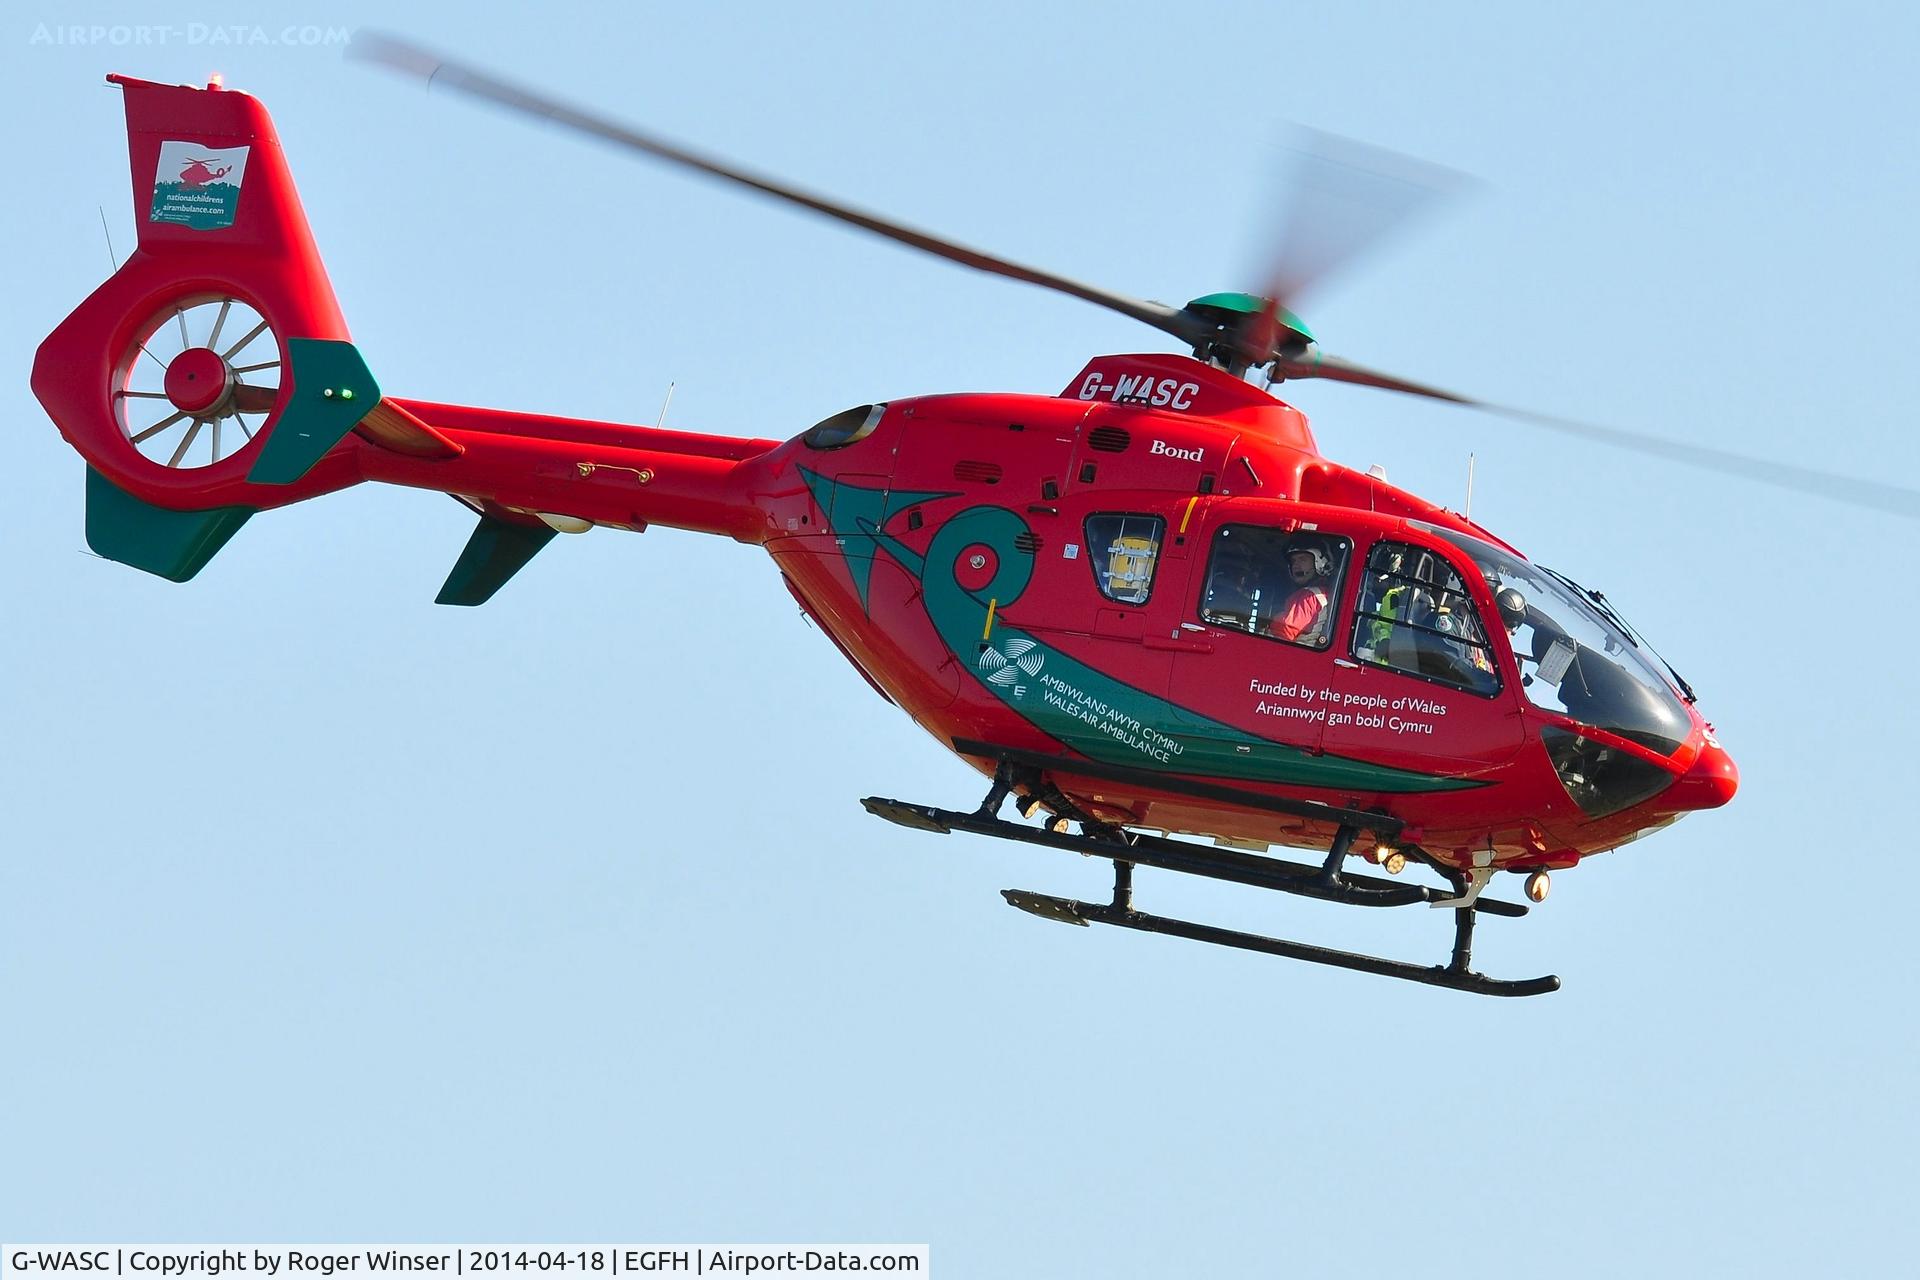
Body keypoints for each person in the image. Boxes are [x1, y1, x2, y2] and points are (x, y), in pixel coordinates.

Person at [1274, 539, 1335, 645]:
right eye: (1293, 561)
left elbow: (1284, 632)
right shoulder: (1325, 594)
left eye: (1303, 559)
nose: (1296, 565)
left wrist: (1274, 620)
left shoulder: (1309, 595)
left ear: (1320, 563)